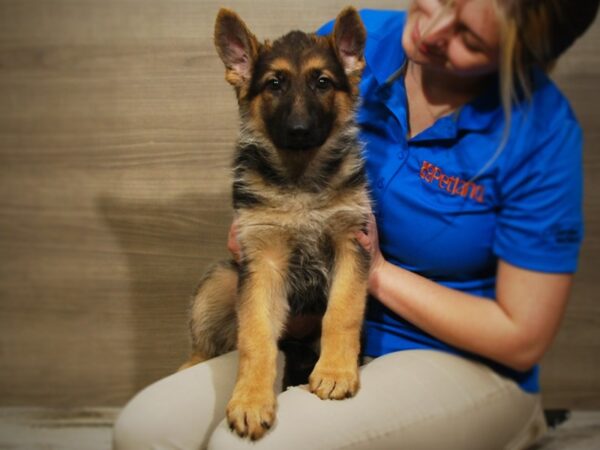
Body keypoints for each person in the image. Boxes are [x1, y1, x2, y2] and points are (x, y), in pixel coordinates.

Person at [113, 1, 599, 448]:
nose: (431, 29)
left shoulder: (542, 133)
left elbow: (521, 339)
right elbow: (274, 142)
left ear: (518, 58)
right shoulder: (362, 41)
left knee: (252, 447)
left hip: (456, 357)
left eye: (469, 38)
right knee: (145, 430)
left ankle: (514, 423)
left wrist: (377, 271)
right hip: (309, 333)